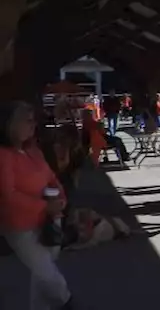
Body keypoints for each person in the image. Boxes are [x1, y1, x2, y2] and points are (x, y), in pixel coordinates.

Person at [1, 100, 75, 309]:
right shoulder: (3, 155)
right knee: (46, 271)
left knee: (42, 272)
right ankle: (68, 302)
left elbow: (51, 177)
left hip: (49, 220)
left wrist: (61, 199)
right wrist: (44, 206)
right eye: (27, 120)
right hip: (20, 225)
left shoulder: (34, 151)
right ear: (9, 124)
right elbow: (8, 194)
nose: (32, 125)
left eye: (34, 121)